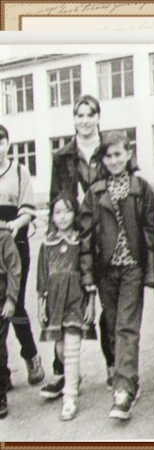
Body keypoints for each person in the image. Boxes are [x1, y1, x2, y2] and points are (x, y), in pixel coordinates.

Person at [78, 131, 154, 420]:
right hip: (105, 270)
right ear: (102, 160)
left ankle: (124, 390)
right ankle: (125, 376)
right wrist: (88, 277)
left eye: (118, 154)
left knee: (127, 326)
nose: (113, 160)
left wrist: (152, 273)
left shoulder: (141, 187)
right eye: (108, 156)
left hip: (132, 267)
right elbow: (85, 237)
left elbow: (150, 231)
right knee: (112, 325)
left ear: (128, 154)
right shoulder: (95, 192)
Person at [47, 94, 108, 394]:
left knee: (107, 300)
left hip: (105, 232)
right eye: (79, 115)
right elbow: (55, 198)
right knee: (63, 299)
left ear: (98, 117)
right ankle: (62, 371)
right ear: (74, 119)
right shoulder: (62, 156)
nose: (84, 120)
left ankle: (113, 366)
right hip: (73, 235)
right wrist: (55, 240)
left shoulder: (108, 149)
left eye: (90, 114)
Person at [37, 195, 96, 421]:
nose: (63, 217)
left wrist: (91, 302)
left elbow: (88, 273)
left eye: (68, 211)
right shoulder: (47, 244)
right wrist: (40, 305)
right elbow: (42, 277)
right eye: (58, 212)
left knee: (71, 350)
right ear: (52, 216)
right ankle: (73, 378)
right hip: (55, 304)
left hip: (75, 300)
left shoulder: (80, 242)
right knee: (61, 350)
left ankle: (69, 398)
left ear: (75, 214)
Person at [0, 125, 43, 390]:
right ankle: (2, 373)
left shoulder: (19, 171)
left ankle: (31, 356)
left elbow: (28, 211)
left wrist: (15, 224)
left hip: (15, 243)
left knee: (14, 304)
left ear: (7, 143)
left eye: (0, 141)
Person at [0, 219, 21, 419]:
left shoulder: (3, 236)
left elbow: (14, 269)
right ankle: (4, 377)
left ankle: (0, 395)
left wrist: (10, 299)